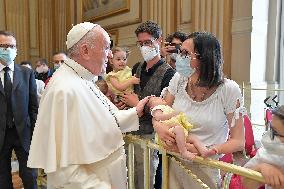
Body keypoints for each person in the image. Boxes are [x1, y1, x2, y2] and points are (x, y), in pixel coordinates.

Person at [27, 22, 150, 189]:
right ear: (85, 51)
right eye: (106, 48)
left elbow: (105, 119)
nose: (109, 56)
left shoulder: (84, 78)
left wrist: (136, 112)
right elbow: (63, 170)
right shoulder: (63, 90)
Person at [154, 31, 245, 188]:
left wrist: (210, 150)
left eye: (185, 53)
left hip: (206, 166)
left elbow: (238, 141)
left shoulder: (228, 89)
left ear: (205, 58)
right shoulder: (179, 79)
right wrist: (158, 126)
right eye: (179, 52)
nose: (178, 57)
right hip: (173, 162)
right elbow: (162, 109)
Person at [121, 20, 175, 189]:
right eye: (141, 43)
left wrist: (137, 103)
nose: (144, 47)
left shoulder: (169, 74)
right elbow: (128, 93)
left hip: (150, 135)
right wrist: (124, 101)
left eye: (148, 42)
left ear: (159, 41)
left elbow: (166, 110)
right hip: (130, 130)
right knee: (129, 177)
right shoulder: (137, 67)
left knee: (146, 180)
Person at [0, 31, 38, 189]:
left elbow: (33, 106)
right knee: (2, 176)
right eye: (4, 46)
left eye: (12, 46)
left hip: (23, 131)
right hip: (1, 133)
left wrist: (36, 132)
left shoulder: (26, 73)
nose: (8, 49)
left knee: (29, 174)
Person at [148, 96, 216, 159]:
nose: (159, 98)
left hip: (177, 130)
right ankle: (183, 151)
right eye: (155, 99)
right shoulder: (157, 109)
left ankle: (204, 151)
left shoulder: (166, 107)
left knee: (193, 137)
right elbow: (158, 117)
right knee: (178, 130)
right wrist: (172, 115)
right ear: (151, 107)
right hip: (169, 131)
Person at [242, 105, 284, 189]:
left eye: (275, 132)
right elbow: (246, 183)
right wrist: (260, 168)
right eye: (271, 130)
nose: (268, 136)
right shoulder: (271, 152)